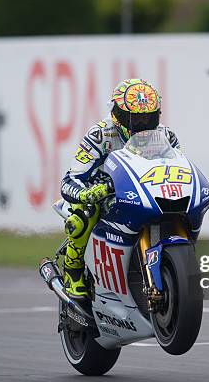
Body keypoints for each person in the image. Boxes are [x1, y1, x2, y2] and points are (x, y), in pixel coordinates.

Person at [59, 79, 180, 299]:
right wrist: (88, 193)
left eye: (148, 117)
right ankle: (73, 272)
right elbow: (70, 180)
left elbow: (177, 167)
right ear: (120, 115)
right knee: (84, 214)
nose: (143, 123)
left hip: (144, 194)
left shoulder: (166, 136)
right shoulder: (100, 135)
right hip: (106, 197)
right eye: (137, 118)